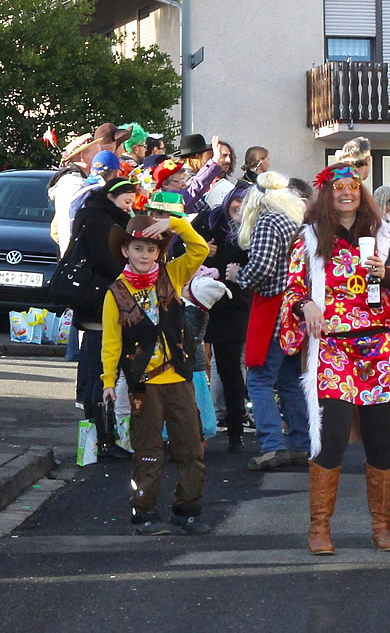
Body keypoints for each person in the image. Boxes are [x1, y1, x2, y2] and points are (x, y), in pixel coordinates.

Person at [278, 163, 390, 555]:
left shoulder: (383, 236)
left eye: (353, 187)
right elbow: (292, 288)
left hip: (381, 350)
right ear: (326, 195)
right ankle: (319, 529)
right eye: (338, 187)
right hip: (334, 350)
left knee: (381, 444)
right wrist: (307, 304)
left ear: (362, 195)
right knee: (331, 441)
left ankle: (381, 527)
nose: (347, 193)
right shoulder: (309, 240)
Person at [101, 213, 211, 535]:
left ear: (159, 253)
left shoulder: (172, 275)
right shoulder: (115, 294)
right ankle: (144, 512)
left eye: (151, 250)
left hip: (178, 378)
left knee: (191, 448)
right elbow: (110, 342)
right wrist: (109, 381)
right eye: (138, 249)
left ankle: (187, 510)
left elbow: (199, 249)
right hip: (143, 386)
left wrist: (174, 225)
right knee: (148, 452)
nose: (145, 256)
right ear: (126, 251)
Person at [235, 171, 310, 471]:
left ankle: (271, 445)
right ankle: (301, 444)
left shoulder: (268, 221)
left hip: (273, 310)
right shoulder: (295, 219)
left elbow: (262, 267)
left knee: (260, 379)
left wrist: (238, 277)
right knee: (291, 379)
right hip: (295, 311)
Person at [68, 178, 136, 459]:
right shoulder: (100, 219)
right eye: (126, 202)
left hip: (96, 303)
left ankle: (98, 441)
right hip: (98, 304)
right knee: (99, 373)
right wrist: (128, 272)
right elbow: (102, 259)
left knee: (97, 372)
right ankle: (103, 441)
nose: (130, 208)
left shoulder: (95, 214)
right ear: (112, 197)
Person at [193, 186, 251, 452]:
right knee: (190, 366)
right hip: (200, 301)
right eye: (237, 200)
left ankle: (235, 430)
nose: (240, 205)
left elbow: (258, 264)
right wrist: (202, 250)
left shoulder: (253, 228)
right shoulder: (210, 220)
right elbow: (182, 243)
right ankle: (191, 427)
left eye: (246, 201)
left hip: (234, 304)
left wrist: (240, 272)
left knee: (230, 369)